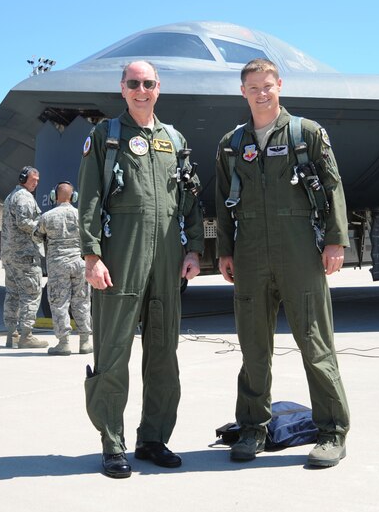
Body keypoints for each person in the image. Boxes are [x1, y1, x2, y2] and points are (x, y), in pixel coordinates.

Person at [214, 58, 351, 468]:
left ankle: (332, 432)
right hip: (250, 251)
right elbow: (222, 200)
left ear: (279, 86)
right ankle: (253, 428)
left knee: (315, 343)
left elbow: (333, 187)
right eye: (253, 87)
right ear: (243, 91)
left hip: (299, 249)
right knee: (253, 347)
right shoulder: (231, 144)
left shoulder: (306, 134)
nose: (261, 93)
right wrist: (224, 250)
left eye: (267, 85)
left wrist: (336, 240)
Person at [77, 59, 204, 479]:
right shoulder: (106, 136)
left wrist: (194, 249)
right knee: (113, 351)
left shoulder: (174, 139)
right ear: (122, 88)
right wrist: (92, 255)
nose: (141, 90)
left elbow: (189, 198)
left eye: (148, 83)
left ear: (158, 88)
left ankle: (153, 438)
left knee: (164, 353)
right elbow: (89, 198)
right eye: (133, 83)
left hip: (167, 259)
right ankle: (112, 443)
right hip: (121, 256)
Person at [34, 181, 93, 356]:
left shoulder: (47, 216)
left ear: (54, 196)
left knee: (59, 303)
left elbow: (36, 237)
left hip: (58, 265)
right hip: (79, 263)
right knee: (82, 302)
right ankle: (85, 342)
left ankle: (64, 343)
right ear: (73, 197)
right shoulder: (80, 215)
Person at [1, 166, 48, 349]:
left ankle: (12, 334)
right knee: (31, 293)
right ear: (23, 179)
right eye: (33, 180)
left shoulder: (10, 196)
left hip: (10, 255)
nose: (36, 184)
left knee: (12, 294)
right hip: (25, 255)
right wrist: (43, 228)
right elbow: (24, 223)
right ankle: (26, 336)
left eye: (37, 181)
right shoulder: (24, 197)